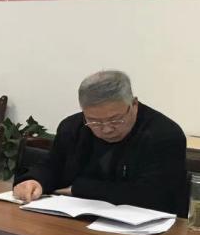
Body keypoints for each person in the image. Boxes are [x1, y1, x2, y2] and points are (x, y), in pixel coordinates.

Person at [13, 70, 189, 215]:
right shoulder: (72, 127)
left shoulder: (164, 135)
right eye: (94, 121)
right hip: (76, 225)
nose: (106, 129)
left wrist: (79, 188)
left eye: (116, 119)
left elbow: (153, 196)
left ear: (134, 104)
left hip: (148, 231)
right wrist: (35, 181)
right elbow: (53, 165)